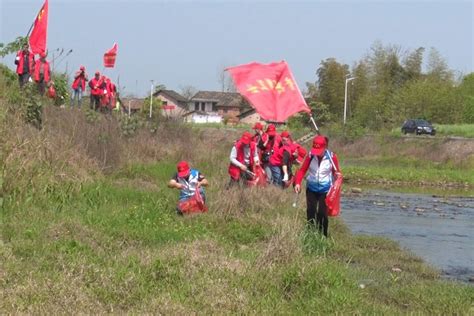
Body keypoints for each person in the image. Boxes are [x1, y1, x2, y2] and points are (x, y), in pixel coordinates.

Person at [294, 135, 341, 237]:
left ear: (325, 148)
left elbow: (336, 173)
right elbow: (302, 170)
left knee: (322, 213)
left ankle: (322, 236)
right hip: (311, 188)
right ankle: (310, 234)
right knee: (311, 212)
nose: (317, 153)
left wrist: (338, 176)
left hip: (325, 190)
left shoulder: (332, 157)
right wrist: (297, 183)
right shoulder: (310, 155)